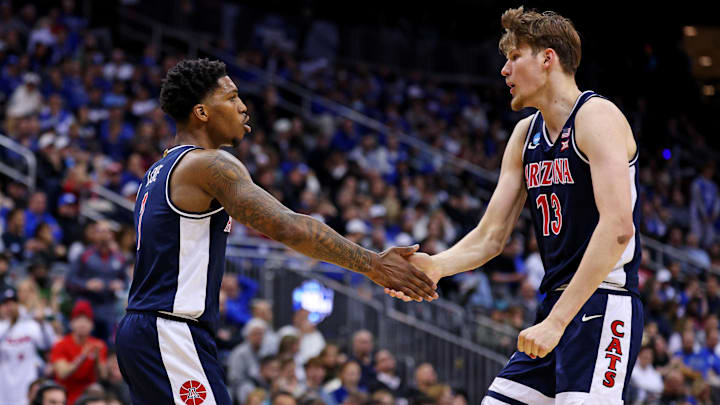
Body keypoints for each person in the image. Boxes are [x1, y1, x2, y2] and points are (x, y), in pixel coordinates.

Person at [114, 58, 437, 405]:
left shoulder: (158, 170)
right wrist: (373, 264)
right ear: (202, 112)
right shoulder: (208, 164)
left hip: (147, 329)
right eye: (232, 97)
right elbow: (289, 226)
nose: (243, 107)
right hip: (169, 329)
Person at [387, 7, 643, 404]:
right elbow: (491, 235)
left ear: (547, 57)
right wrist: (437, 266)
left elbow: (618, 228)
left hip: (603, 303)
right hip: (556, 305)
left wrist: (557, 323)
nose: (504, 71)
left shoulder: (597, 116)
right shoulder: (526, 134)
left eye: (513, 57)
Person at [0, 287, 57, 405]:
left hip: (27, 379)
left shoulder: (30, 325)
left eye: (13, 303)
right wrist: (11, 324)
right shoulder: (1, 328)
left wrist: (42, 323)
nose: (10, 307)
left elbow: (48, 344)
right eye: (5, 304)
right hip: (4, 383)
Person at [50, 300, 108, 405]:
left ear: (92, 325)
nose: (82, 324)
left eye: (86, 320)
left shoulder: (98, 345)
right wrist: (82, 358)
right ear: (71, 323)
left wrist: (98, 359)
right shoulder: (61, 344)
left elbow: (103, 376)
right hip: (65, 395)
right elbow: (62, 373)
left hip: (89, 397)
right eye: (78, 319)